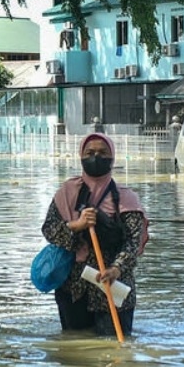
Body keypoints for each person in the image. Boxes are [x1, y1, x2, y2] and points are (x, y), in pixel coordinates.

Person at [41, 133, 148, 336]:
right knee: (76, 349)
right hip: (73, 289)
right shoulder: (67, 193)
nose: (96, 157)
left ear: (112, 157)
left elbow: (133, 242)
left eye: (102, 153)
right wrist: (77, 225)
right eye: (90, 153)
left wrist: (116, 269)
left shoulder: (126, 198)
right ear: (81, 156)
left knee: (113, 348)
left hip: (114, 287)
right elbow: (49, 230)